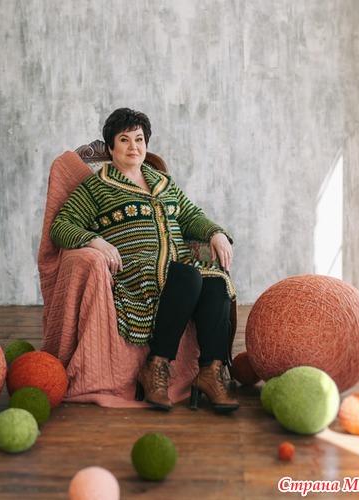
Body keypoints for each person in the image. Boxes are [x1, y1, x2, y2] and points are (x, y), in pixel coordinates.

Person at [50, 108, 238, 412]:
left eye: (138, 139)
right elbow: (61, 226)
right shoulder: (96, 187)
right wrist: (96, 241)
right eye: (124, 140)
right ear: (111, 147)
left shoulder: (164, 182)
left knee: (215, 282)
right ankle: (155, 367)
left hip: (178, 264)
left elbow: (191, 216)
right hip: (136, 270)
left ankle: (210, 372)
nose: (133, 146)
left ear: (146, 144)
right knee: (189, 277)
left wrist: (214, 232)